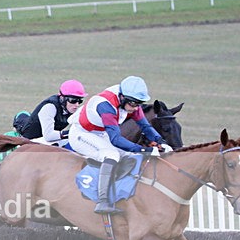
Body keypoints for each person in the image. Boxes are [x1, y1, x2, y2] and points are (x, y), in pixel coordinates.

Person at [68, 75, 171, 214]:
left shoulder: (131, 101)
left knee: (129, 156)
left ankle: (117, 190)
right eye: (134, 104)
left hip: (100, 133)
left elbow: (145, 126)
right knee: (111, 155)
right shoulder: (106, 106)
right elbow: (115, 139)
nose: (136, 108)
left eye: (139, 103)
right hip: (81, 134)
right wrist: (144, 149)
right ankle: (103, 201)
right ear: (122, 97)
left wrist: (161, 141)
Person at [22, 79, 87, 146]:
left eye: (80, 101)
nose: (77, 105)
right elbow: (48, 136)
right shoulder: (49, 107)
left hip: (43, 139)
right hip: (30, 139)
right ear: (62, 98)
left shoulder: (70, 108)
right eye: (73, 100)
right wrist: (70, 133)